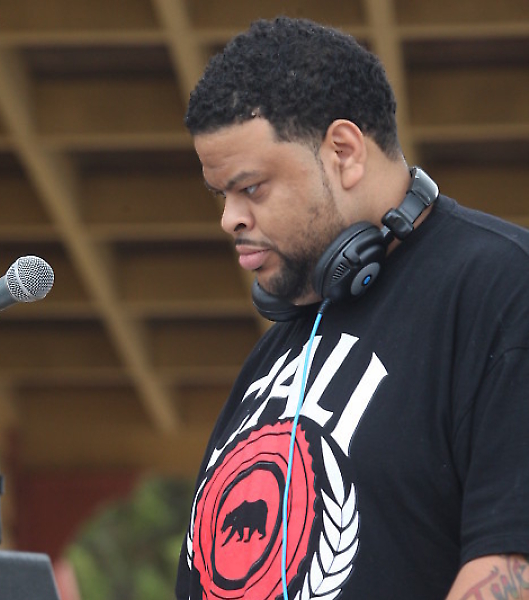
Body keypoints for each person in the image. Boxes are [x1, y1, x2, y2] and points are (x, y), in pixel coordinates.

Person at [175, 16, 529, 600]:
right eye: (222, 195)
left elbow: (510, 569)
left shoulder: (502, 288)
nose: (229, 218)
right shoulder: (276, 352)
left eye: (251, 187)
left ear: (343, 151)